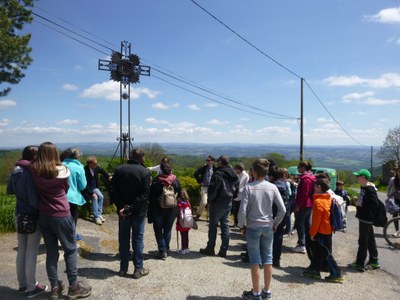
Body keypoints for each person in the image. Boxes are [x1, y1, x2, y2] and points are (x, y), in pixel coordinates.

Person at [30, 142, 91, 299]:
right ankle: (73, 286)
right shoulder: (63, 170)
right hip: (62, 214)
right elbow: (65, 189)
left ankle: (55, 287)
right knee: (70, 250)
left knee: (51, 251)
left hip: (44, 215)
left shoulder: (35, 171)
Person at [238, 159, 286, 300]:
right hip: (268, 226)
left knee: (255, 260)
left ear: (254, 171)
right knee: (268, 259)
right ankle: (267, 291)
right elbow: (282, 210)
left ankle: (256, 293)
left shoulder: (249, 188)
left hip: (252, 227)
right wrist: (275, 223)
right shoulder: (273, 187)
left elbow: (242, 211)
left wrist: (242, 225)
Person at [7, 145, 48, 298]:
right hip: (31, 216)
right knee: (32, 252)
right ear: (34, 157)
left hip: (19, 214)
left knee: (22, 250)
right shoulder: (29, 172)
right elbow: (33, 199)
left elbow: (10, 190)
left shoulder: (16, 170)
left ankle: (22, 284)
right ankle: (32, 287)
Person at [110, 148, 151, 279]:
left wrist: (122, 207)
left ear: (131, 156)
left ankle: (123, 268)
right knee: (137, 239)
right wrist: (131, 207)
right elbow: (145, 195)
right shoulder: (144, 171)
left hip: (123, 212)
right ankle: (138, 269)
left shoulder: (119, 169)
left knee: (123, 239)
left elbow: (113, 191)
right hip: (138, 211)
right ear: (141, 158)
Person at [302, 176, 344, 283]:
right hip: (328, 230)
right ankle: (314, 270)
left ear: (319, 187)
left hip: (321, 231)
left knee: (326, 254)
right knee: (319, 252)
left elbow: (316, 221)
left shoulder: (318, 202)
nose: (313, 187)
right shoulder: (328, 198)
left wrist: (312, 233)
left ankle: (336, 273)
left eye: (315, 186)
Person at [200, 155, 239, 258]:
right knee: (225, 226)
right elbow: (237, 189)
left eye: (218, 162)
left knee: (213, 226)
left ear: (221, 162)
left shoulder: (218, 174)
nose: (217, 163)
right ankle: (223, 250)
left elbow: (212, 190)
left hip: (217, 203)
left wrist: (210, 201)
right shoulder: (234, 174)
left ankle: (210, 248)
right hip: (228, 202)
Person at [348, 169, 381, 272]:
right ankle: (374, 261)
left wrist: (360, 204)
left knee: (363, 241)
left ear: (363, 178)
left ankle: (359, 263)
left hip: (366, 219)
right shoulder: (364, 187)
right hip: (364, 217)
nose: (356, 178)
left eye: (358, 176)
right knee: (370, 240)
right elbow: (365, 201)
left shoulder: (369, 189)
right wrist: (358, 201)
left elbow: (374, 204)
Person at [148, 162, 181, 260]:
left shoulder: (157, 181)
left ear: (161, 170)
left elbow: (151, 196)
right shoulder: (175, 180)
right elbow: (179, 192)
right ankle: (165, 249)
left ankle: (162, 251)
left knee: (158, 230)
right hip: (172, 209)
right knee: (168, 229)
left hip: (158, 210)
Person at [62, 148, 87, 242]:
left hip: (59, 197)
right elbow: (83, 186)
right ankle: (71, 238)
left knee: (61, 219)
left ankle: (62, 237)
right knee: (72, 219)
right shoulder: (79, 167)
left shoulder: (61, 165)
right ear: (78, 156)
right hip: (73, 198)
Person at [291, 161, 316, 255]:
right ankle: (308, 243)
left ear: (303, 168)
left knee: (299, 223)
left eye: (298, 167)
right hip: (310, 204)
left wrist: (298, 205)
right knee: (306, 223)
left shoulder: (306, 179)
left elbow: (304, 194)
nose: (297, 169)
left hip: (305, 204)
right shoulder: (312, 176)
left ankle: (301, 245)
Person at [268, 167, 290, 268]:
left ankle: (268, 258)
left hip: (272, 214)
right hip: (283, 214)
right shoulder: (285, 184)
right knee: (279, 236)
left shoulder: (272, 187)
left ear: (272, 176)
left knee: (269, 237)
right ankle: (276, 259)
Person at [84, 156, 111, 225]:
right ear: (90, 164)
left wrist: (108, 177)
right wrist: (91, 193)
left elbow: (102, 171)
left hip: (94, 187)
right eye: (95, 164)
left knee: (101, 196)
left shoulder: (96, 168)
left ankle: (99, 214)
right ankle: (96, 217)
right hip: (87, 189)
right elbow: (83, 184)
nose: (96, 165)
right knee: (95, 197)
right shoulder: (84, 170)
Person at [193, 155, 216, 221]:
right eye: (207, 160)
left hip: (212, 188)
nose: (207, 161)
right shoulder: (204, 167)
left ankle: (209, 217)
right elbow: (196, 174)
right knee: (204, 202)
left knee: (210, 203)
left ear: (212, 161)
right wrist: (200, 181)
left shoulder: (215, 169)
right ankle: (198, 214)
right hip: (204, 187)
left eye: (209, 160)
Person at [232, 163, 249, 227]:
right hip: (235, 195)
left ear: (239, 169)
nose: (235, 170)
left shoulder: (246, 176)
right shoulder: (235, 174)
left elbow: (246, 185)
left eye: (236, 169)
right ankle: (235, 223)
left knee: (240, 210)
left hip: (241, 195)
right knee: (234, 210)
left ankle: (240, 223)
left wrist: (240, 190)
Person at [176, 189, 192, 254]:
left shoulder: (179, 204)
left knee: (182, 236)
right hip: (188, 221)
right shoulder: (188, 203)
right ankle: (186, 248)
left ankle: (183, 249)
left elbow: (178, 213)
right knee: (186, 235)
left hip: (181, 222)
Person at [387, 167, 400, 237]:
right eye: (399, 171)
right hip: (395, 199)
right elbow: (389, 187)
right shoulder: (393, 179)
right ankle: (397, 231)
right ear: (397, 172)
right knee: (395, 215)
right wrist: (388, 194)